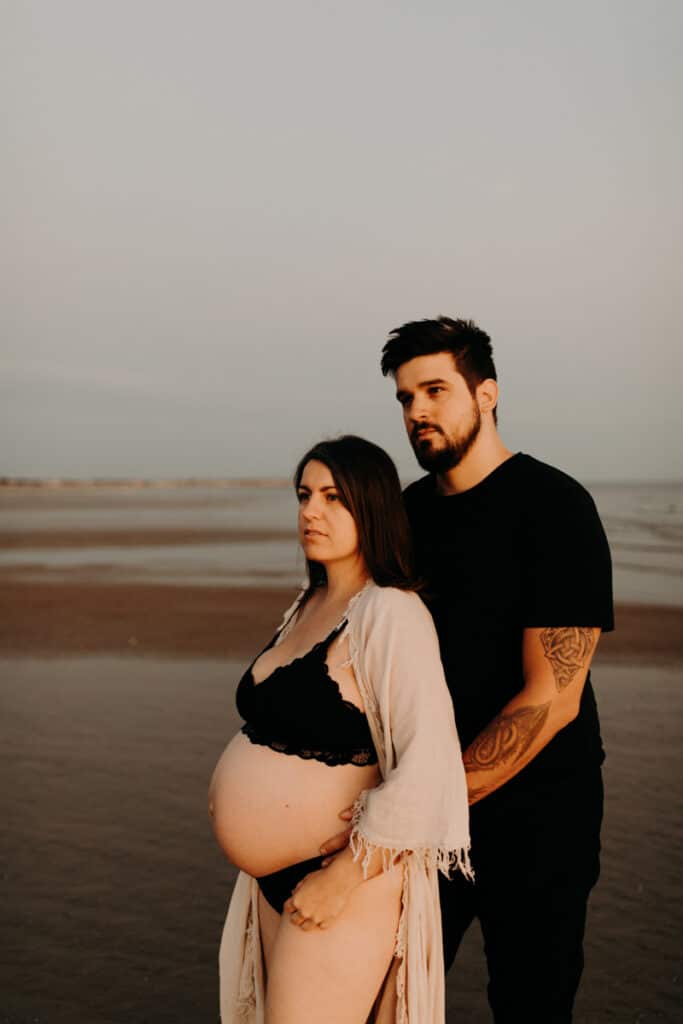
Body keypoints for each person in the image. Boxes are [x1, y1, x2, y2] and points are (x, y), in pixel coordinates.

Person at [320, 318, 613, 1023]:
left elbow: (551, 698)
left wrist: (420, 807)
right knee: (385, 1000)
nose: (415, 411)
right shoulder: (403, 516)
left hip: (538, 816)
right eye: (403, 397)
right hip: (417, 812)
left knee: (528, 1006)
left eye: (434, 390)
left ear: (486, 394)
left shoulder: (553, 507)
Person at [209, 435, 471, 1024]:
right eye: (304, 495)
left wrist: (347, 875)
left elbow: (430, 760)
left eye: (333, 497)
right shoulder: (310, 602)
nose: (310, 511)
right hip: (272, 880)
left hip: (344, 881)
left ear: (371, 508)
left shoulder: (392, 613)